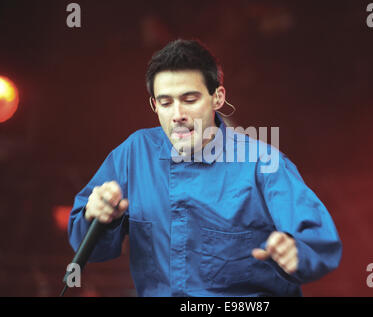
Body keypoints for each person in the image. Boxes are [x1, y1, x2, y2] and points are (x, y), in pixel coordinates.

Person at [68, 39, 342, 296]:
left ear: (218, 97)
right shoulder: (134, 153)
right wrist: (97, 216)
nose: (178, 115)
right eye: (166, 102)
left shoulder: (262, 162)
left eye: (190, 99)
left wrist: (297, 252)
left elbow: (317, 240)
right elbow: (89, 247)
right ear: (154, 105)